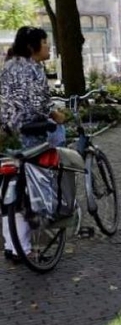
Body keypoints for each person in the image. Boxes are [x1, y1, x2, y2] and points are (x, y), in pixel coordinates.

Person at [0, 26, 66, 260]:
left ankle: (13, 245)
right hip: (31, 133)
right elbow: (38, 103)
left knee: (12, 191)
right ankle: (29, 242)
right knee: (35, 186)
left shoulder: (8, 65)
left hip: (9, 134)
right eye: (45, 42)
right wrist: (55, 114)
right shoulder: (34, 68)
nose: (48, 46)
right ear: (32, 46)